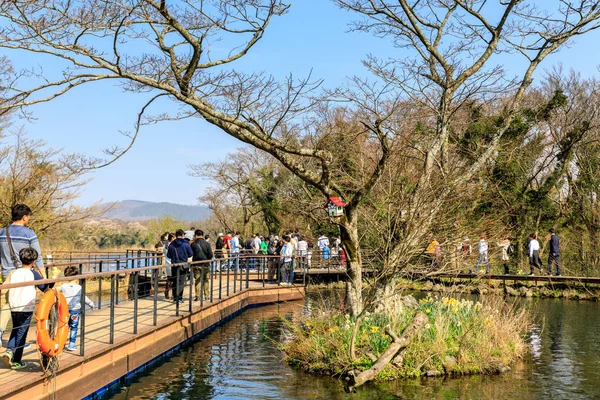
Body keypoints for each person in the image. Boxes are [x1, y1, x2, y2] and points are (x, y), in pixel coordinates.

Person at [0, 204, 46, 343]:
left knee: (10, 304)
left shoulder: (2, 232)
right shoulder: (29, 233)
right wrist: (43, 277)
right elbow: (37, 257)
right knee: (22, 307)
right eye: (28, 216)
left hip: (7, 273)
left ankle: (6, 334)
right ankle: (18, 341)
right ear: (25, 216)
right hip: (26, 274)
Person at [2, 248, 51, 369]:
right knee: (22, 334)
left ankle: (9, 351)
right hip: (26, 308)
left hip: (14, 306)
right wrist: (51, 281)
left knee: (16, 329)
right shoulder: (33, 274)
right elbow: (44, 287)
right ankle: (16, 361)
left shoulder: (13, 272)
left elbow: (3, 289)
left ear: (20, 259)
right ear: (34, 261)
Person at [57, 266, 95, 351]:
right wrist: (91, 304)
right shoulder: (79, 288)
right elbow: (84, 298)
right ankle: (72, 344)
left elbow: (54, 291)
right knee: (74, 326)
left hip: (64, 310)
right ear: (77, 276)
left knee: (64, 325)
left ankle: (61, 343)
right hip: (75, 311)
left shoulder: (63, 286)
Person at [166, 229, 193, 304]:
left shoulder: (171, 244)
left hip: (174, 265)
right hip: (183, 265)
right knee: (181, 282)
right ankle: (180, 298)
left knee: (175, 281)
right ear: (183, 235)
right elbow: (190, 254)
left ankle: (175, 298)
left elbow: (168, 255)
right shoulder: (186, 243)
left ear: (175, 235)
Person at [191, 230, 213, 301]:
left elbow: (190, 254)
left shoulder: (193, 244)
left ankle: (198, 296)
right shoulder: (207, 244)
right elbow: (211, 255)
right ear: (202, 235)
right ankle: (207, 296)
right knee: (206, 280)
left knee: (198, 280)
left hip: (196, 265)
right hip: (206, 264)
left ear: (196, 235)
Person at [163, 233, 175, 298]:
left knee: (169, 279)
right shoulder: (173, 245)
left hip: (167, 264)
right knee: (174, 280)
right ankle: (173, 294)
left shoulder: (165, 245)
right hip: (173, 263)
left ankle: (167, 292)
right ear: (172, 238)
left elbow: (164, 253)